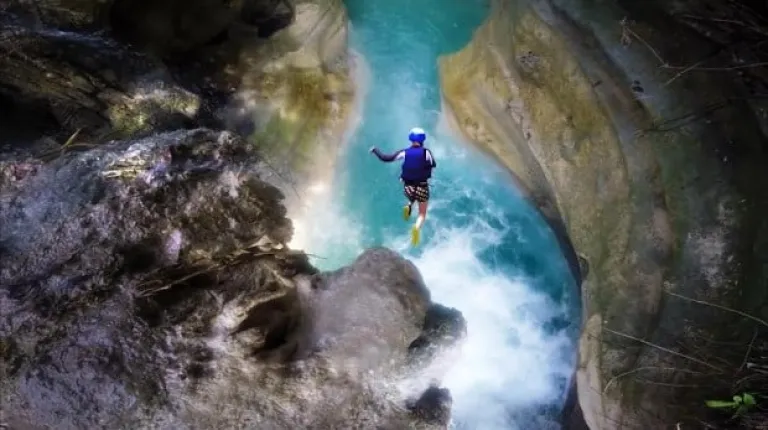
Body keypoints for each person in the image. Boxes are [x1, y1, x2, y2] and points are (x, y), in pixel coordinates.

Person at [369, 127, 436, 245]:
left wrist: (375, 150)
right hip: (422, 187)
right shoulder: (426, 153)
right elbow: (432, 166)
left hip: (408, 188)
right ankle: (416, 227)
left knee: (412, 194)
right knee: (422, 213)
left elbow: (386, 158)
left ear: (411, 139)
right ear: (423, 140)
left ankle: (409, 205)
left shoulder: (404, 152)